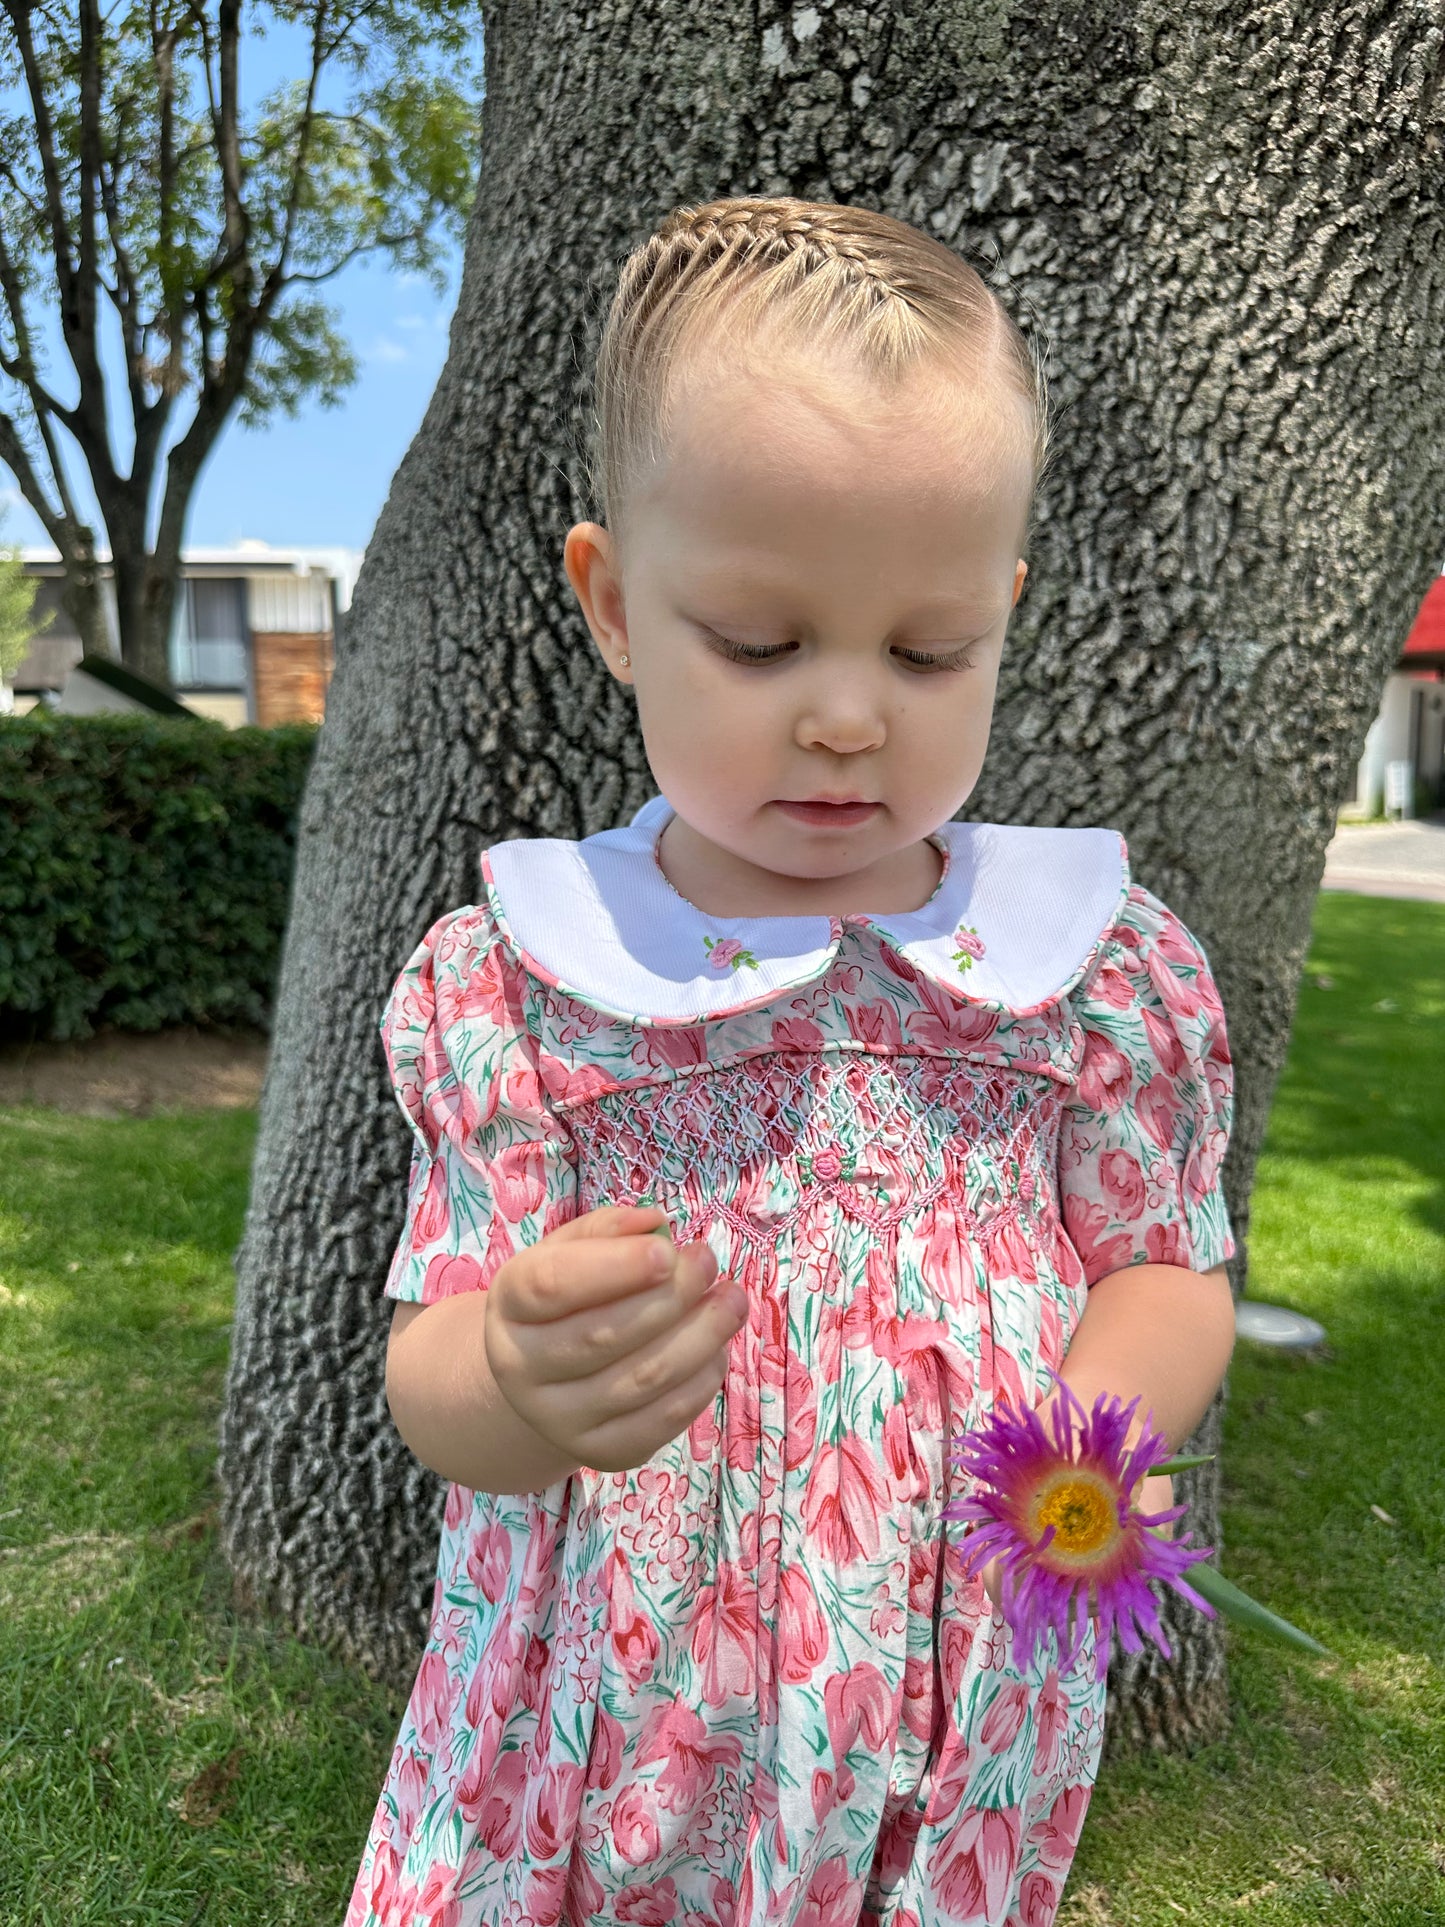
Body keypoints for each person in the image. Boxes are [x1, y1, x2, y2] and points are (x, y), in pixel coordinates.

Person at [344, 197, 1238, 1927]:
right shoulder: (525, 986)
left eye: (927, 650)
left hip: (946, 1693)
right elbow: (429, 1372)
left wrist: (1079, 1440)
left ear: (1004, 612)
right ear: (611, 605)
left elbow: (1163, 1269)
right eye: (758, 644)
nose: (846, 715)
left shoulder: (1086, 975)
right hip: (599, 1719)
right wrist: (517, 1383)